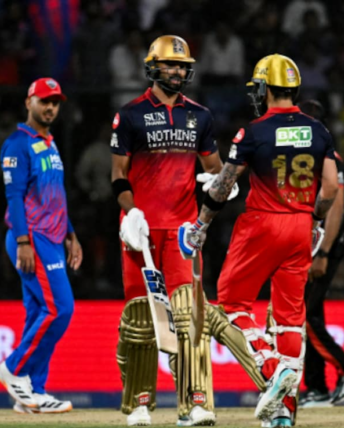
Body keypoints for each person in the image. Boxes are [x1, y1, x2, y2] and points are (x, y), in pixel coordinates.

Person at [178, 54, 339, 427]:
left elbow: (224, 185)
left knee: (232, 302)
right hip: (301, 226)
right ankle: (283, 413)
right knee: (289, 319)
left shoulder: (253, 131)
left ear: (265, 88)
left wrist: (201, 224)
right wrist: (315, 220)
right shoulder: (318, 130)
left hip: (262, 225)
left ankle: (270, 366)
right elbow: (330, 187)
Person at [110, 35, 236, 427]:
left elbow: (214, 169)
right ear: (153, 67)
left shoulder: (200, 116)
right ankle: (140, 403)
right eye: (170, 64)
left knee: (189, 318)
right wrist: (131, 213)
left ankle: (195, 402)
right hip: (141, 233)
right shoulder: (129, 115)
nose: (178, 71)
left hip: (183, 234)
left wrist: (222, 185)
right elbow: (118, 175)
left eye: (182, 65)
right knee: (142, 319)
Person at [0, 77, 82, 414]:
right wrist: (22, 241)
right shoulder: (18, 144)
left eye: (55, 103)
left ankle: (33, 393)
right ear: (28, 102)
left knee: (38, 314)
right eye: (44, 101)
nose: (50, 108)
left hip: (53, 239)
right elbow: (14, 196)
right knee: (60, 309)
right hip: (32, 238)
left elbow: (54, 196)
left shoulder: (50, 143)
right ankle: (13, 369)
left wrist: (71, 234)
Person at [296, 100, 344, 408]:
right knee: (310, 315)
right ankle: (317, 388)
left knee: (304, 316)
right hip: (311, 245)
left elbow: (336, 207)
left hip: (325, 246)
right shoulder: (310, 153)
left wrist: (323, 253)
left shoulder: (330, 157)